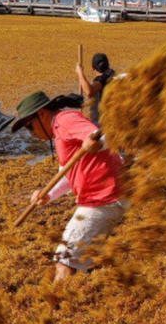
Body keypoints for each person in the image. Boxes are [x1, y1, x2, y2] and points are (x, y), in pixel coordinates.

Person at [12, 91, 127, 281]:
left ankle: (57, 299)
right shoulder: (59, 130)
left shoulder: (65, 120)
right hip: (104, 197)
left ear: (42, 114)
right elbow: (67, 173)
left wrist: (97, 144)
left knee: (64, 261)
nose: (32, 134)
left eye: (30, 126)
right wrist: (48, 194)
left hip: (103, 199)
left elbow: (101, 137)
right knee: (81, 260)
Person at [77, 52, 117, 125]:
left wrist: (80, 73)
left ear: (93, 69)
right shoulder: (112, 74)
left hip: (103, 123)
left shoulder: (103, 79)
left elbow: (89, 91)